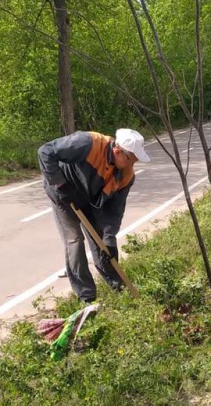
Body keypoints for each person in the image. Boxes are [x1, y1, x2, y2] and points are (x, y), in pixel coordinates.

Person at [38, 128, 150, 302]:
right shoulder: (87, 143)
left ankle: (119, 288)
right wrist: (60, 185)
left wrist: (110, 237)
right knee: (74, 240)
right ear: (118, 151)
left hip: (89, 198)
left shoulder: (127, 176)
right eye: (131, 160)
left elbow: (115, 210)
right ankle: (87, 296)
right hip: (64, 195)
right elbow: (45, 151)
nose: (132, 165)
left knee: (102, 244)